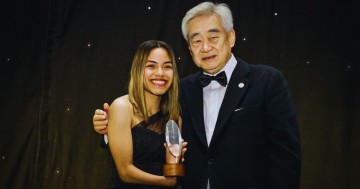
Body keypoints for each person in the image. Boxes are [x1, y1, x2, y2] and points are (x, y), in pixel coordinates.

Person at [94, 2, 301, 189]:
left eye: (213, 37)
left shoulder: (267, 80)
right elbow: (151, 130)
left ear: (231, 37)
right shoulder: (182, 89)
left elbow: (285, 155)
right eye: (196, 40)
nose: (205, 47)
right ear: (190, 49)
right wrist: (108, 129)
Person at [104, 40, 186, 189]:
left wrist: (176, 162)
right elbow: (125, 172)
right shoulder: (122, 107)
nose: (160, 73)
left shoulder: (174, 117)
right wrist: (167, 182)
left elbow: (174, 172)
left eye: (167, 66)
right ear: (138, 69)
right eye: (151, 66)